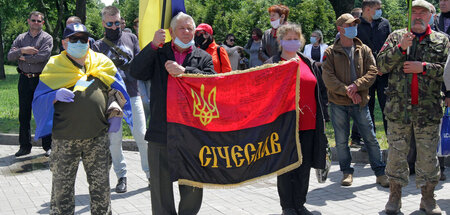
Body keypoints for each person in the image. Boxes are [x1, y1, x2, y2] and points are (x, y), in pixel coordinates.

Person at [32, 23, 131, 215]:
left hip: (97, 137)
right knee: (62, 191)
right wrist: (53, 95)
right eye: (74, 39)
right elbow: (37, 100)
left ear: (89, 42)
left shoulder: (101, 62)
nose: (79, 43)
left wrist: (117, 110)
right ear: (64, 43)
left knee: (101, 189)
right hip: (65, 139)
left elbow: (118, 89)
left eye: (83, 39)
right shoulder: (54, 66)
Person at [130, 12, 215, 214]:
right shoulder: (159, 53)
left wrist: (185, 72)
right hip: (161, 132)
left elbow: (213, 84)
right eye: (181, 28)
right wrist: (151, 46)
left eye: (190, 28)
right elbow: (136, 71)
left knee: (193, 187)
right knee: (160, 189)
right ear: (170, 32)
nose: (186, 32)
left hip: (192, 134)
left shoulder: (203, 57)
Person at [377, 1, 449, 214]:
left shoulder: (442, 40)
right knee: (396, 156)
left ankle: (428, 199)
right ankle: (394, 198)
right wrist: (400, 49)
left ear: (430, 16)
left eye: (422, 13)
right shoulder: (397, 37)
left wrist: (424, 68)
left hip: (428, 110)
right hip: (399, 111)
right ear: (409, 15)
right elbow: (380, 65)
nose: (417, 16)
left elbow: (447, 70)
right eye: (414, 12)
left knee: (428, 157)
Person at [264, 23, 328, 215]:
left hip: (308, 124)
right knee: (286, 167)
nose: (293, 42)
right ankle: (288, 207)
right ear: (280, 41)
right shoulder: (272, 64)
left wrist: (325, 117)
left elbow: (321, 92)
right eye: (288, 39)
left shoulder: (308, 62)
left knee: (304, 166)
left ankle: (300, 204)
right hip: (283, 126)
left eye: (296, 39)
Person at [322, 13, 388, 187]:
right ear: (340, 29)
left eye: (355, 24)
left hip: (361, 102)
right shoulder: (330, 52)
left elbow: (372, 71)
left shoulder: (363, 49)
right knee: (342, 141)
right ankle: (346, 172)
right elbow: (328, 78)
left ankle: (380, 172)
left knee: (371, 138)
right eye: (349, 25)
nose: (354, 28)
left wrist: (356, 86)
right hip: (338, 104)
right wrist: (348, 91)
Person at [92, 6, 150, 193]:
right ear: (103, 23)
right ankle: (121, 176)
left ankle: (150, 175)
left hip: (133, 94)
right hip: (112, 98)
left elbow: (140, 63)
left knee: (141, 135)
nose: (114, 26)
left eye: (117, 22)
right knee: (114, 139)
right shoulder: (98, 46)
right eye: (110, 23)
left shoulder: (131, 38)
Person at [7, 11, 53, 157]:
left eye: (39, 21)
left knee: (44, 113)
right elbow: (10, 56)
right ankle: (25, 147)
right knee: (24, 114)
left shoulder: (47, 38)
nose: (36, 23)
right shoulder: (21, 38)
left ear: (43, 23)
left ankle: (48, 146)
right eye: (33, 20)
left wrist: (22, 57)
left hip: (40, 79)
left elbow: (43, 56)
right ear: (28, 21)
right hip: (24, 80)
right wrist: (23, 50)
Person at [351, 0, 392, 150]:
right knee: (366, 109)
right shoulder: (356, 24)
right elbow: (354, 49)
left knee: (387, 108)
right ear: (368, 9)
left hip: (383, 74)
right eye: (378, 8)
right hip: (364, 74)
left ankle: (392, 142)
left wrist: (384, 66)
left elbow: (390, 46)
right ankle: (369, 143)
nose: (380, 11)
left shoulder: (385, 23)